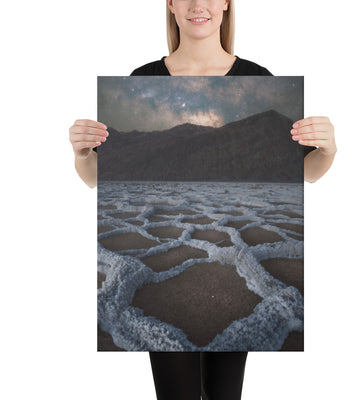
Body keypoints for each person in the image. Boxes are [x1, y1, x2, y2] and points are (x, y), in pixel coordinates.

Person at [69, 1, 337, 399]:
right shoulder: (142, 76)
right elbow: (95, 180)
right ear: (171, 5)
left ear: (227, 4)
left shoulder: (256, 76)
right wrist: (82, 154)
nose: (199, 5)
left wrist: (327, 150)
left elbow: (302, 173)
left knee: (225, 392)